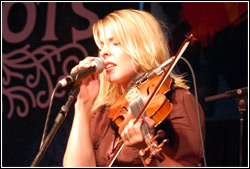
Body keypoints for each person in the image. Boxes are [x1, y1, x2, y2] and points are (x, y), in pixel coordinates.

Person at [63, 9, 205, 167]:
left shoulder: (178, 101)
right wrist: (83, 104)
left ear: (144, 47)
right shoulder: (102, 112)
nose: (103, 53)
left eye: (116, 43)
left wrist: (146, 149)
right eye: (101, 46)